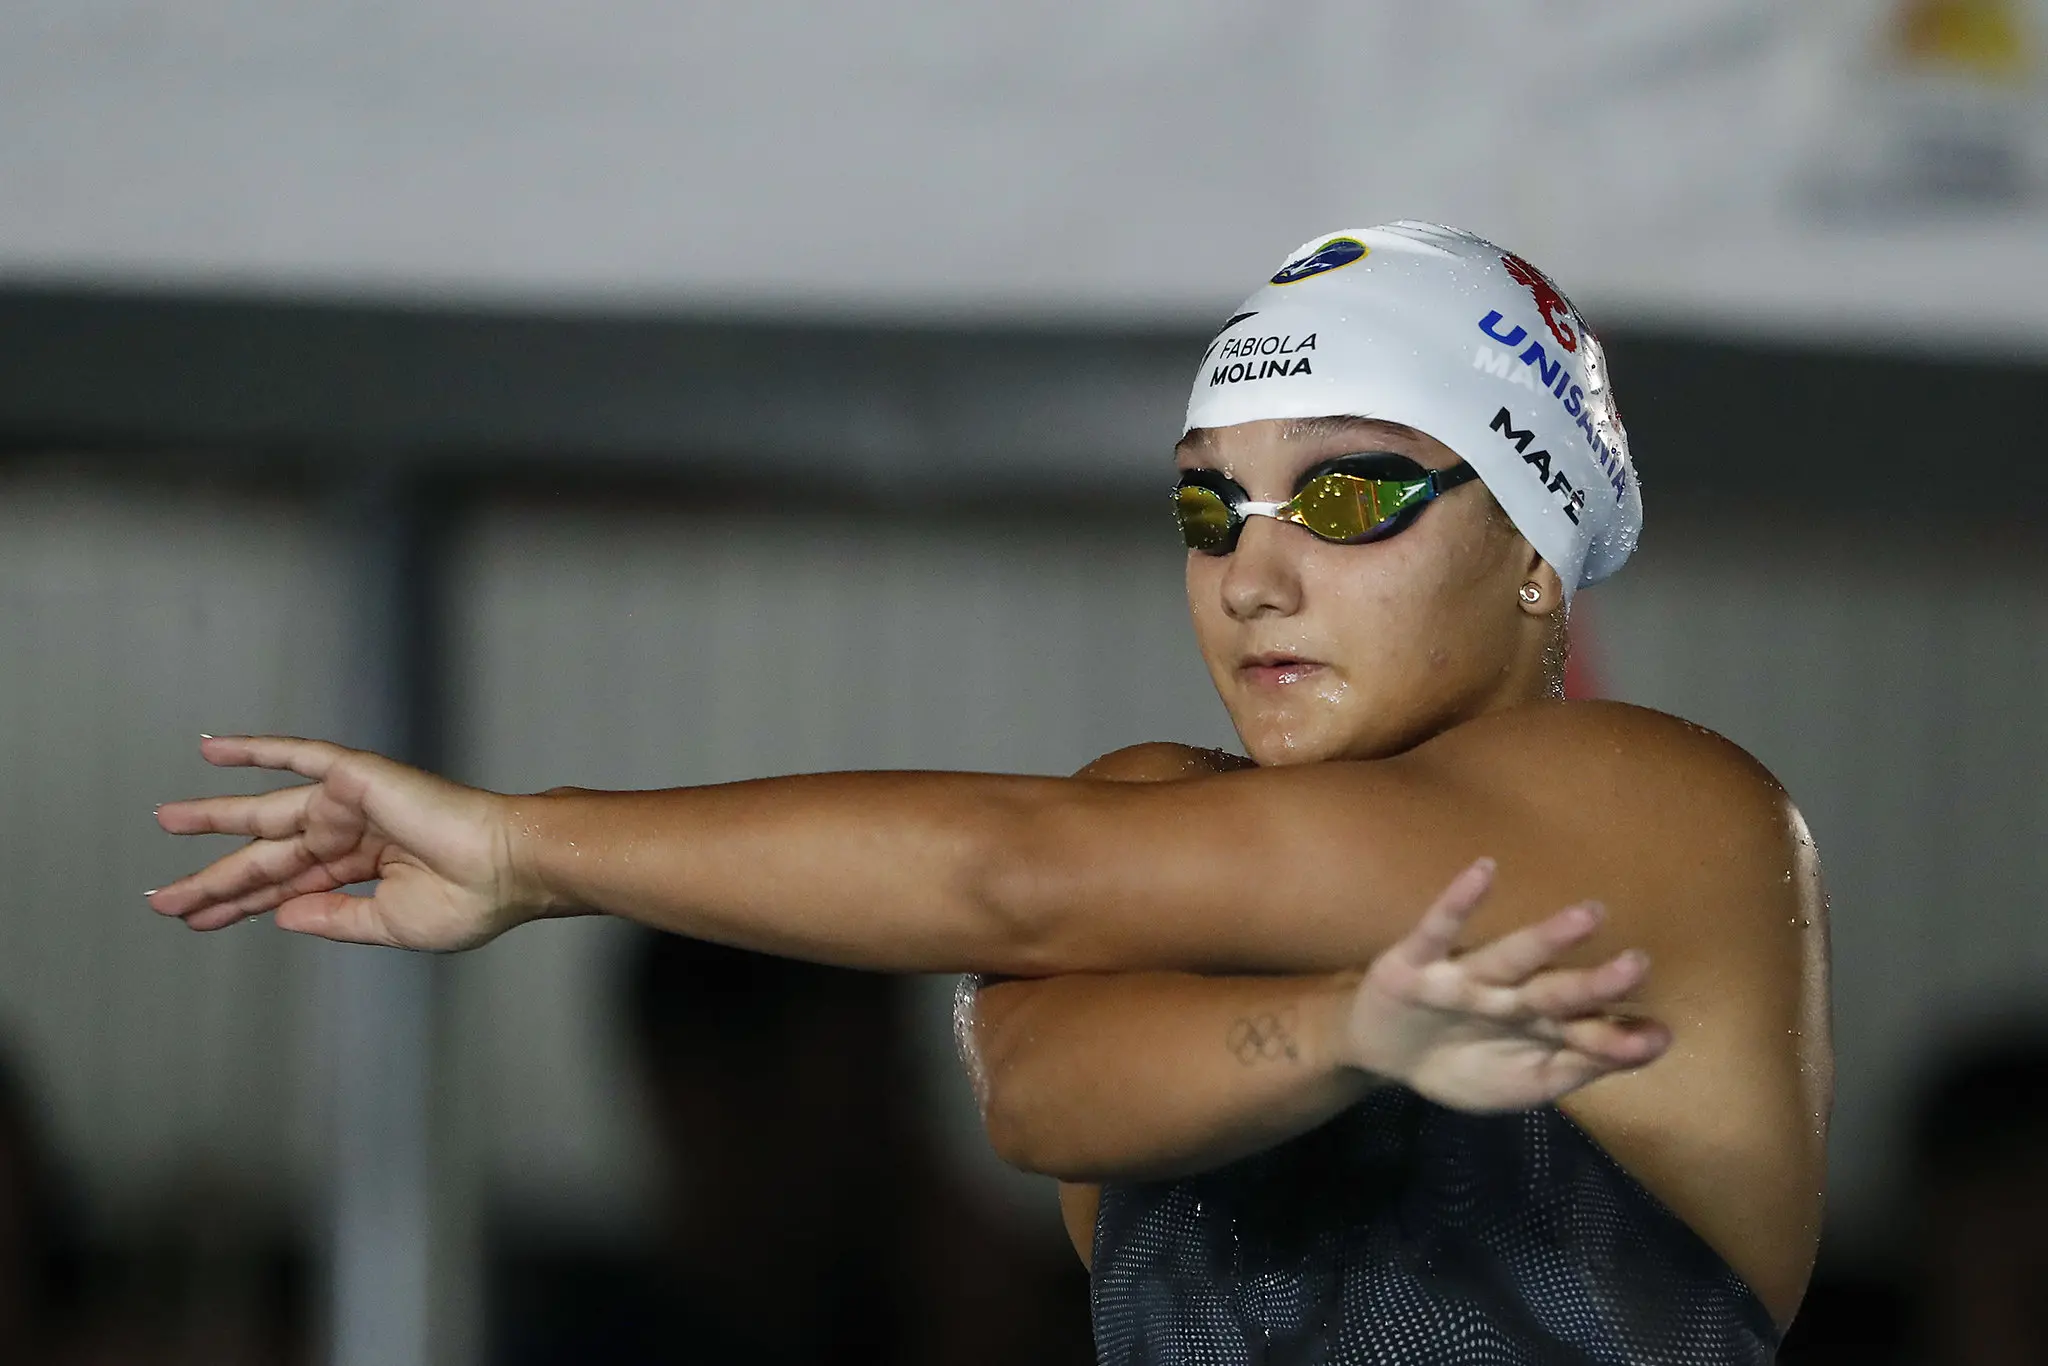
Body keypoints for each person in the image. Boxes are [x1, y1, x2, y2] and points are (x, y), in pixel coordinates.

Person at [149, 222, 1831, 1364]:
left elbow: (1023, 874)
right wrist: (1343, 1034)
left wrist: (532, 847)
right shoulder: (1145, 809)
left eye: (1344, 496)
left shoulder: (1662, 812)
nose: (1253, 577)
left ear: (1535, 550)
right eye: (1210, 510)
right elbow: (1032, 1087)